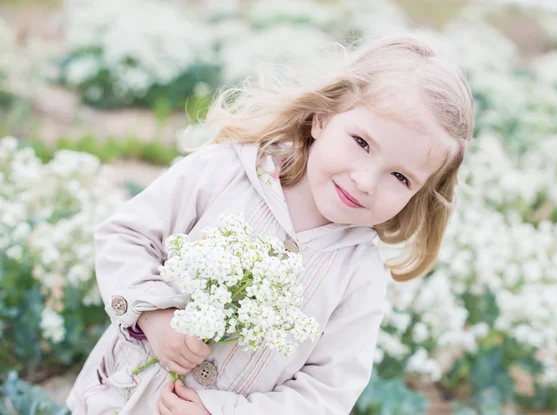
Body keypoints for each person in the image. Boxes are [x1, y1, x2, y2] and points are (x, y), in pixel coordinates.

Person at [66, 34, 474, 415]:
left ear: (418, 194)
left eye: (400, 177)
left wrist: (222, 411)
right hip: (119, 397)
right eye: (362, 143)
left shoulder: (360, 275)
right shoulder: (224, 171)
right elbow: (124, 237)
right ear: (323, 119)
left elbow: (327, 393)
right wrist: (155, 317)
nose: (365, 182)